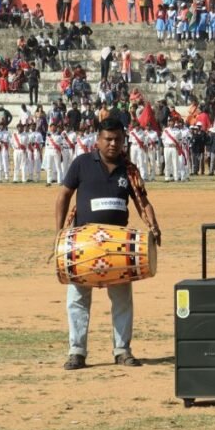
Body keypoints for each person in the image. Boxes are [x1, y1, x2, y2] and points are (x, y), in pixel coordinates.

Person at [55, 118, 162, 370]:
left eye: (118, 139)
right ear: (98, 140)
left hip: (118, 248)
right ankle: (76, 352)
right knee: (78, 299)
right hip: (82, 246)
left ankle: (122, 350)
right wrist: (59, 233)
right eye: (108, 139)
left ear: (124, 141)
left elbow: (142, 201)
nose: (113, 144)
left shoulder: (129, 170)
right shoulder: (81, 163)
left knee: (122, 299)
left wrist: (154, 226)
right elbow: (63, 195)